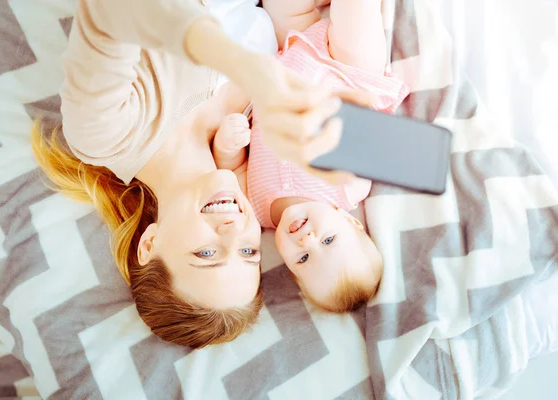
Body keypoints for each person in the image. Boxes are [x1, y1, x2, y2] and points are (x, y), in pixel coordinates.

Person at [31, 0, 350, 348]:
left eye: (207, 254)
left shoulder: (106, 136)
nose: (233, 232)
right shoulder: (255, 133)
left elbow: (107, 11)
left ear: (149, 244)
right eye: (247, 252)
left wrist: (246, 69)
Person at [211, 0, 410, 312]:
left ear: (289, 266)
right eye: (328, 240)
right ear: (350, 222)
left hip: (288, 51)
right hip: (346, 70)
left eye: (303, 258)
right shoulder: (346, 188)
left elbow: (232, 169)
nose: (307, 240)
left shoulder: (257, 212)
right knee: (356, 16)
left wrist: (227, 146)